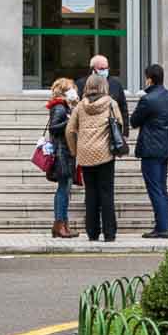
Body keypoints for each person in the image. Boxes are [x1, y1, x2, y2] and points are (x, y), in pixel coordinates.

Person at [129, 64, 168, 240]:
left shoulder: (148, 99)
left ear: (149, 79)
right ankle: (164, 225)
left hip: (151, 148)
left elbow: (134, 121)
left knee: (155, 189)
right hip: (166, 147)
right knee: (162, 188)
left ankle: (162, 228)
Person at [66, 74, 118, 243]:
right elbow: (120, 123)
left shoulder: (80, 106)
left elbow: (70, 130)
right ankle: (109, 233)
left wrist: (75, 151)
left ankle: (92, 232)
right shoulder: (110, 103)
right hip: (105, 154)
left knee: (91, 193)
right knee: (106, 193)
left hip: (85, 154)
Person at [44, 77, 79, 238]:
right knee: (63, 190)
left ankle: (63, 224)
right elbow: (53, 128)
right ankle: (60, 225)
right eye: (71, 88)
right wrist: (70, 120)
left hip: (65, 152)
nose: (75, 90)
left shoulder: (64, 106)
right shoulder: (59, 106)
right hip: (62, 153)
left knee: (65, 189)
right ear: (65, 91)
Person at [74, 55, 130, 131]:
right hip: (88, 129)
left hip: (110, 131)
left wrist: (125, 131)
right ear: (92, 69)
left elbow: (123, 109)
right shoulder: (81, 84)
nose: (105, 71)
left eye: (107, 68)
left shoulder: (115, 84)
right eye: (102, 69)